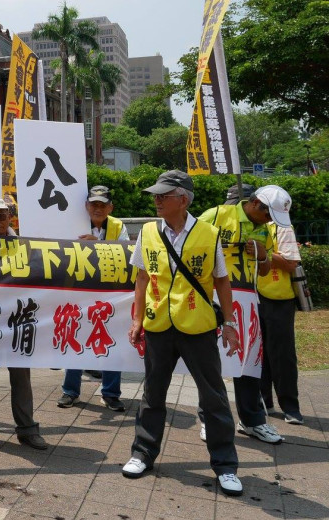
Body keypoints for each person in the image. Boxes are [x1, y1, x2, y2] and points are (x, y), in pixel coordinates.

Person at [122, 170, 243, 497]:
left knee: (213, 396)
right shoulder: (148, 232)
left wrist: (229, 324)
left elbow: (222, 281)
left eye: (164, 194)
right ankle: (142, 453)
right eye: (156, 195)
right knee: (153, 393)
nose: (157, 200)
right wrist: (137, 320)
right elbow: (142, 279)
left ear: (184, 199)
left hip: (198, 326)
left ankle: (225, 465)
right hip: (159, 324)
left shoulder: (209, 234)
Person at [196, 185, 283, 445]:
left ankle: (252, 420)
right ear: (256, 204)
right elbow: (189, 246)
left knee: (249, 364)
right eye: (269, 215)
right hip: (213, 298)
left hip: (247, 302)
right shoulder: (217, 215)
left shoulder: (264, 230)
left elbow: (265, 270)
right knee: (211, 364)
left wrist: (263, 255)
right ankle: (209, 419)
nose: (270, 221)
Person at [0, 198, 48, 451]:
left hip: (18, 319)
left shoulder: (25, 244)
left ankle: (27, 429)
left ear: (10, 218)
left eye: (0, 217)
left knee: (22, 377)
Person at [58, 185, 129, 412]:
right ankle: (70, 391)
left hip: (111, 293)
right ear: (86, 206)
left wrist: (97, 246)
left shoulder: (118, 226)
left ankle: (110, 393)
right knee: (75, 336)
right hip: (79, 291)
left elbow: (128, 253)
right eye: (94, 204)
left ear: (110, 207)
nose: (98, 209)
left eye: (102, 204)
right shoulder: (73, 223)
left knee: (112, 341)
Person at [254, 186, 303, 424]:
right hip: (254, 296)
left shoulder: (282, 228)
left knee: (282, 353)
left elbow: (292, 263)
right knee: (259, 352)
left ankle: (290, 406)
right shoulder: (250, 226)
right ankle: (264, 401)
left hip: (278, 298)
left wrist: (264, 252)